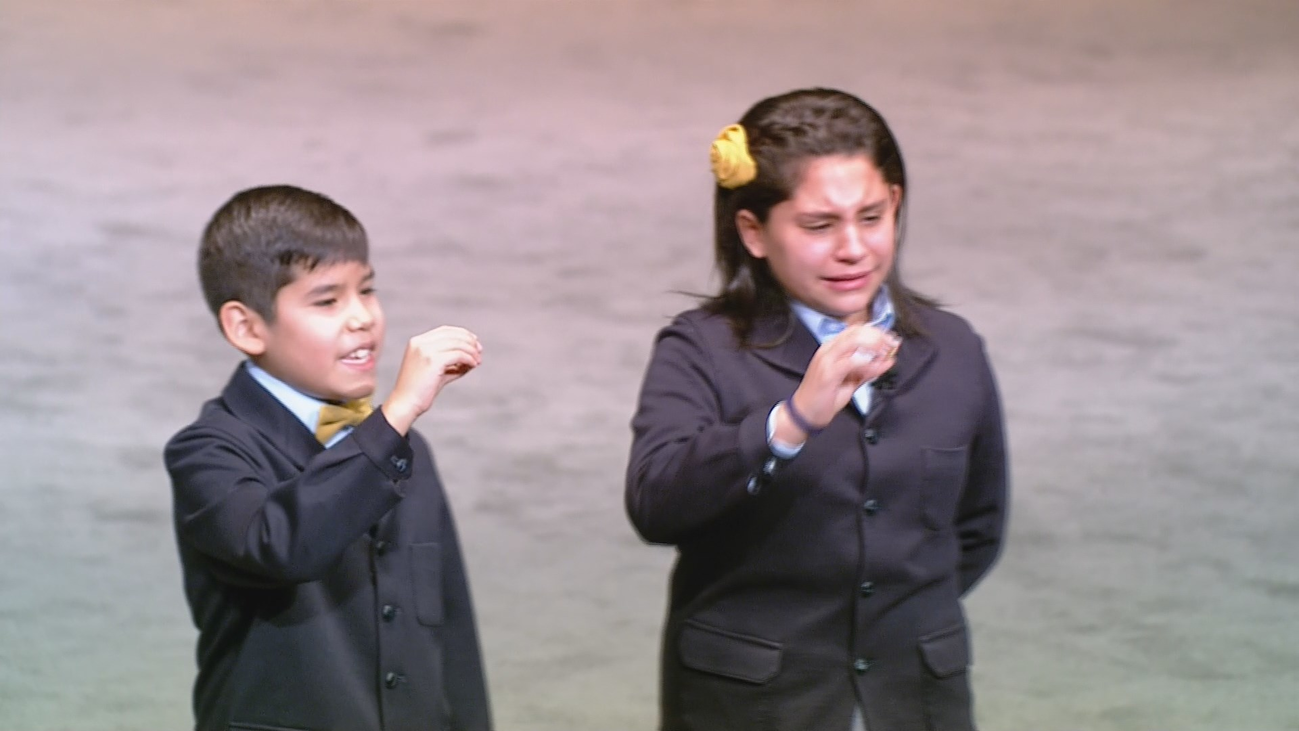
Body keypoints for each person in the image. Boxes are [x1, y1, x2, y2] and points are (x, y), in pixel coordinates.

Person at [625, 88, 1009, 731]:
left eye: (871, 217)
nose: (853, 249)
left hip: (914, 700)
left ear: (897, 205)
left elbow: (976, 527)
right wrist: (790, 421)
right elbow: (656, 503)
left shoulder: (955, 349)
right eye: (819, 226)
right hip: (753, 705)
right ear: (753, 231)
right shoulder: (702, 348)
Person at [165, 185, 492, 731]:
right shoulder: (209, 451)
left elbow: (451, 633)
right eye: (327, 300)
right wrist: (395, 417)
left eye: (367, 290)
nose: (362, 317)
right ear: (245, 327)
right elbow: (281, 544)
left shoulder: (408, 450)